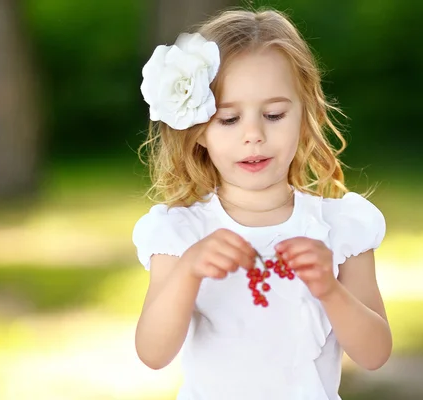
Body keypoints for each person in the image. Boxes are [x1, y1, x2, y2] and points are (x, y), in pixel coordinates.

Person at [132, 7, 392, 400]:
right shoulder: (181, 233)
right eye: (229, 119)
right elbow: (153, 354)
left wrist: (330, 290)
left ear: (305, 115)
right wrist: (188, 272)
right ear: (199, 129)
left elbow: (375, 354)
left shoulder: (339, 228)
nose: (253, 134)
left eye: (273, 114)